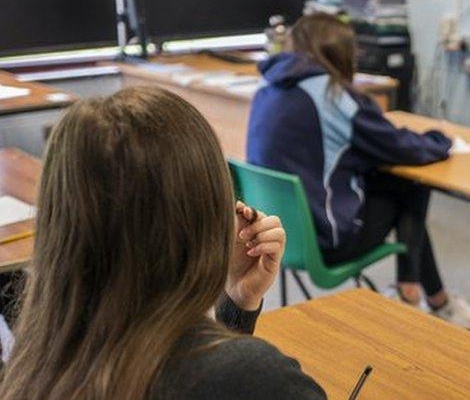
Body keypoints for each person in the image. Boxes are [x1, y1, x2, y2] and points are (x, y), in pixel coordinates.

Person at [0, 87, 325, 399]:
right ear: (201, 213)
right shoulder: (260, 378)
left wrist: (237, 305)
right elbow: (219, 377)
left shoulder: (36, 356)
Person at [247, 13, 470, 330]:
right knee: (409, 184)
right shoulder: (333, 96)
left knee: (392, 183)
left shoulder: (269, 86)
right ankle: (413, 293)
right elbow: (401, 147)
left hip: (276, 235)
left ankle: (426, 295)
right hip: (326, 243)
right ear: (343, 54)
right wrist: (441, 139)